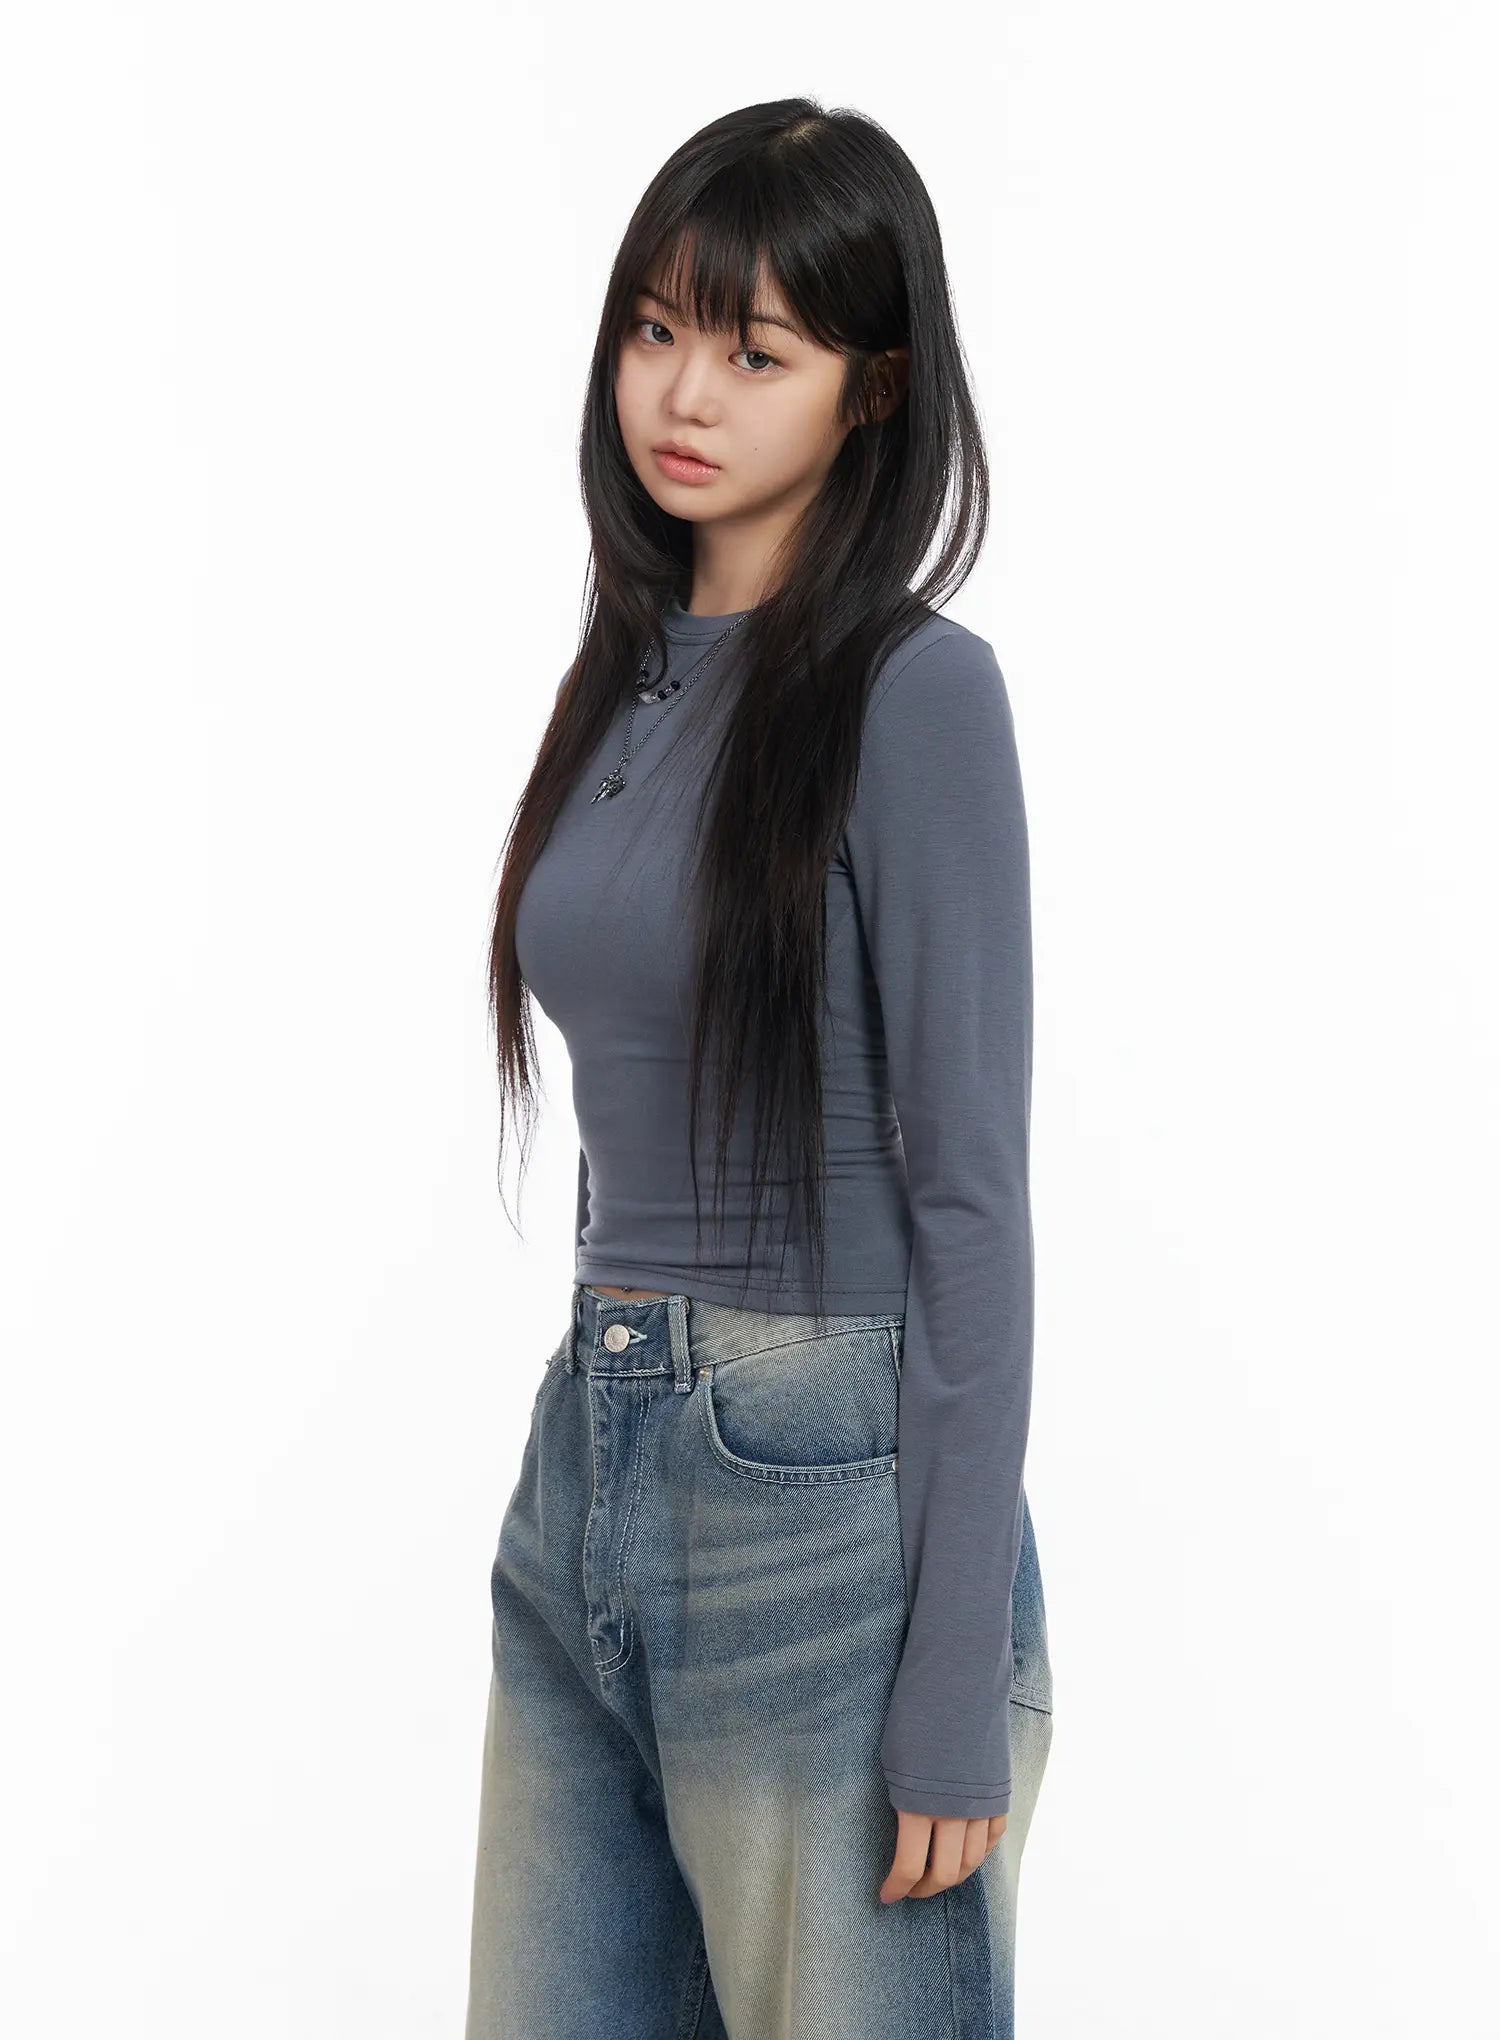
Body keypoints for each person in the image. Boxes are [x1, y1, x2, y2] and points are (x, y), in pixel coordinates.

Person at [466, 95, 1054, 2040]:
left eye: (756, 349)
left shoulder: (913, 692)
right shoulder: (625, 670)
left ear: (873, 388)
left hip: (822, 1504)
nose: (684, 390)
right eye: (656, 328)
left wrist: (950, 1676)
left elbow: (969, 1196)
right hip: (590, 1452)